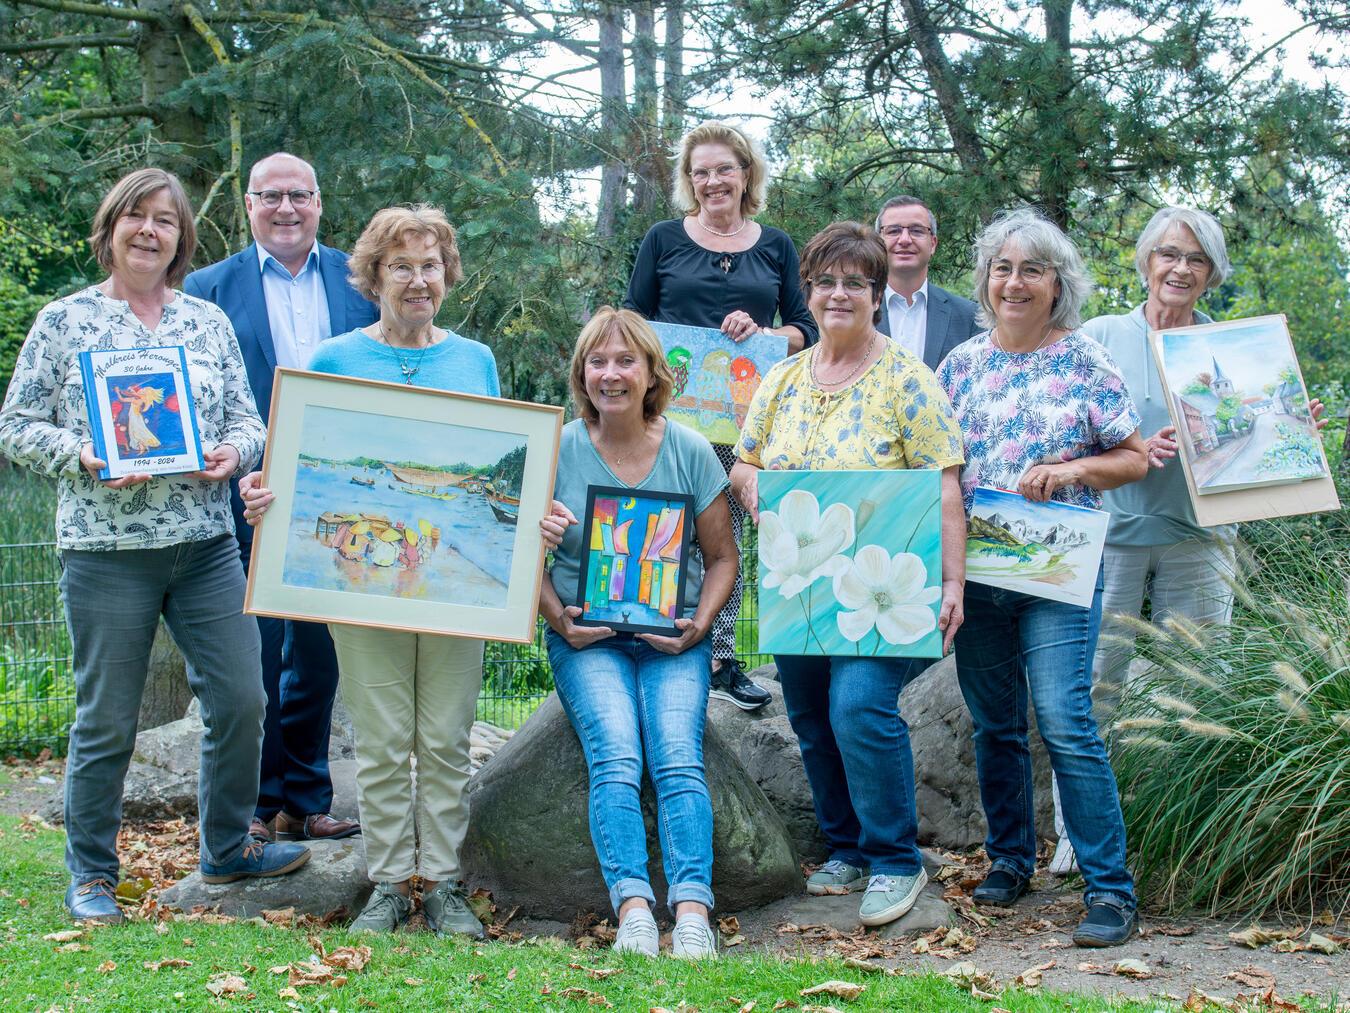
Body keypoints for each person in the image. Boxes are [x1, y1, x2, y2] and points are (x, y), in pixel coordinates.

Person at [0, 167, 310, 923]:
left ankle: (228, 847)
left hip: (205, 544)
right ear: (109, 230)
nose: (149, 230)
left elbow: (249, 418)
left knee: (242, 697)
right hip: (106, 552)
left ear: (180, 239)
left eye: (164, 221)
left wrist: (234, 454)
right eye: (135, 217)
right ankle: (93, 875)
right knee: (106, 718)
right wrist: (80, 454)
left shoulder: (205, 322)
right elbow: (14, 426)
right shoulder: (63, 322)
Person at [239, 205, 497, 938]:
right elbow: (294, 457)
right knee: (383, 740)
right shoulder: (332, 359)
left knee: (445, 737)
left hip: (452, 589)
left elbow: (492, 458)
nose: (418, 279)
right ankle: (388, 881)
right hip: (362, 583)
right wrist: (267, 496)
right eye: (401, 265)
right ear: (373, 276)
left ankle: (441, 882)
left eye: (430, 265)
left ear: (446, 274)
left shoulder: (474, 360)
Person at [1049, 206, 1330, 876]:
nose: (1180, 268)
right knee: (1093, 687)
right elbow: (1058, 428)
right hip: (1107, 534)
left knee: (1202, 687)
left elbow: (1262, 446)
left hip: (1200, 538)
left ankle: (1183, 830)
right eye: (1169, 253)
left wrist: (1293, 427)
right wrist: (1130, 449)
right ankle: (1075, 831)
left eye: (1196, 259)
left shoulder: (1234, 350)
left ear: (1211, 273)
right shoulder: (1099, 336)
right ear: (1145, 260)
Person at [729, 222, 967, 928]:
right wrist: (752, 489)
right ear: (810, 291)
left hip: (884, 590)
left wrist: (953, 584)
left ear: (875, 295)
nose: (839, 294)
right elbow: (745, 460)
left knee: (859, 705)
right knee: (807, 713)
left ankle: (896, 859)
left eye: (854, 284)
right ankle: (847, 847)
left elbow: (946, 486)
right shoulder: (783, 379)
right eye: (826, 282)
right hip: (800, 586)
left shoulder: (908, 380)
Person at [936, 207, 1149, 948]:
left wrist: (1071, 470)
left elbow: (1132, 455)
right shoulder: (959, 365)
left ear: (1057, 282)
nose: (1015, 281)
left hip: (1059, 571)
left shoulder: (1086, 359)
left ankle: (1111, 889)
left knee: (1064, 719)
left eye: (1032, 269)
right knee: (995, 722)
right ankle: (1009, 861)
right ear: (986, 281)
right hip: (980, 573)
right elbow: (941, 472)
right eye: (1003, 267)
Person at [185, 152, 376, 844]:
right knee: (257, 650)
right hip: (248, 490)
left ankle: (308, 796)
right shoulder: (208, 287)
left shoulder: (360, 281)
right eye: (271, 197)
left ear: (320, 202)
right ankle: (258, 806)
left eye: (300, 195)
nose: (286, 208)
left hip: (337, 489)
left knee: (319, 654)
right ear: (248, 204)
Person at [537, 307, 738, 959]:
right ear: (582, 372)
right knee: (618, 754)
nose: (611, 373)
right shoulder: (557, 448)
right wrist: (557, 615)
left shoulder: (688, 449)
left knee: (677, 753)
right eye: (598, 360)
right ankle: (633, 911)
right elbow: (519, 556)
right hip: (585, 637)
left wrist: (697, 627)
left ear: (653, 372)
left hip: (670, 638)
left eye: (626, 360)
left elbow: (724, 558)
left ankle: (692, 913)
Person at [624, 120, 818, 712]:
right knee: (661, 530)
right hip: (668, 419)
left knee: (727, 535)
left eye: (724, 169)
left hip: (747, 421)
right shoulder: (663, 239)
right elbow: (632, 318)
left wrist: (765, 334)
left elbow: (807, 330)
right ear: (690, 180)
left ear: (746, 175)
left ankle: (721, 657)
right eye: (701, 172)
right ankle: (648, 642)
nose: (713, 181)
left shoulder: (776, 245)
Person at [874, 195, 981, 370]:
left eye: (916, 230)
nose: (905, 239)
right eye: (893, 231)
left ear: (932, 244)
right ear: (878, 242)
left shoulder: (969, 317)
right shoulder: (855, 310)